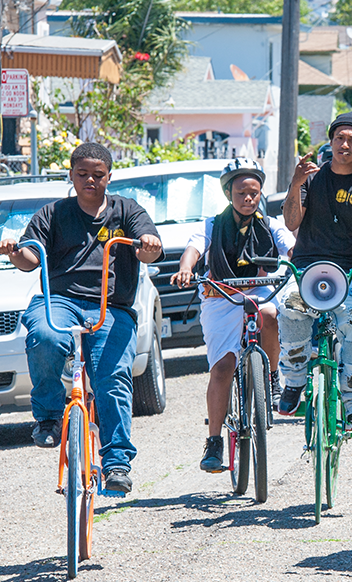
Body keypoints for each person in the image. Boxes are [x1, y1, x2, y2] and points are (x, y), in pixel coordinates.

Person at [0, 142, 163, 494]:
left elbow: (149, 249)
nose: (90, 180)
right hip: (61, 300)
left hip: (110, 306)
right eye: (83, 174)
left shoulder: (127, 211)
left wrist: (148, 244)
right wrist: (15, 252)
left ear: (109, 177)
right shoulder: (53, 213)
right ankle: (48, 417)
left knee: (112, 377)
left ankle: (117, 460)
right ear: (71, 175)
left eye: (98, 175)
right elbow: (31, 257)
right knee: (44, 336)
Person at [170, 159, 295, 473]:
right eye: (241, 192)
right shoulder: (211, 225)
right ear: (228, 193)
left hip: (259, 292)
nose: (248, 198)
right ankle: (214, 442)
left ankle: (271, 377)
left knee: (270, 314)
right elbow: (194, 249)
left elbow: (292, 249)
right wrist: (186, 269)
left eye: (254, 192)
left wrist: (300, 261)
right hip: (220, 297)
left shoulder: (271, 225)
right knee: (224, 366)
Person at [277, 111, 352, 432]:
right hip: (308, 266)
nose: (345, 144)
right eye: (339, 138)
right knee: (290, 308)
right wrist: (296, 182)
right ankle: (294, 381)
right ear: (330, 141)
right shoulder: (311, 178)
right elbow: (291, 222)